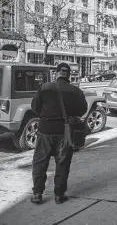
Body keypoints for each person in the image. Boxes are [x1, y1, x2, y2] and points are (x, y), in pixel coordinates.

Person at [30, 63, 88, 204]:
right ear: (69, 75)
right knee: (62, 163)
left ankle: (37, 193)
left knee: (40, 162)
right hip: (65, 132)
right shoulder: (76, 91)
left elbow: (35, 108)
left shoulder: (45, 87)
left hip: (45, 131)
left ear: (56, 73)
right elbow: (82, 110)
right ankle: (59, 195)